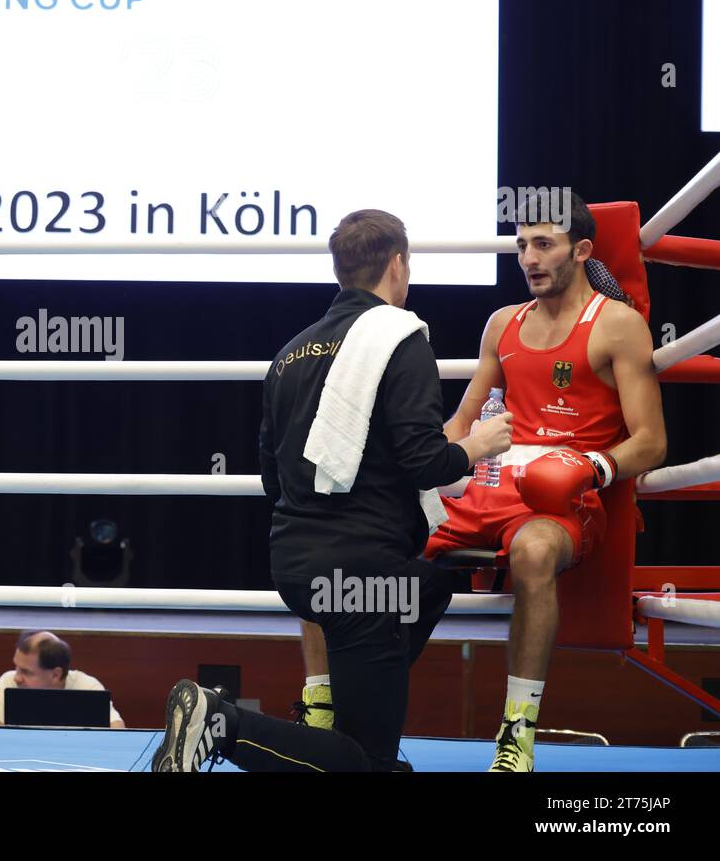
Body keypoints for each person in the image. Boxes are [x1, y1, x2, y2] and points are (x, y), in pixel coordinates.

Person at [296, 192, 667, 771]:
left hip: (565, 498)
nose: (529, 258)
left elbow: (652, 439)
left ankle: (516, 734)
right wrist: (397, 472)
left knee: (535, 549)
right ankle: (321, 705)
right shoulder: (503, 324)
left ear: (582, 249)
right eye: (522, 245)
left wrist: (588, 467)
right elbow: (462, 422)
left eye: (544, 244)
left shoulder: (618, 326)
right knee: (338, 531)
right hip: (488, 489)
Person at [153, 209, 512, 772]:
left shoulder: (290, 354)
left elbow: (273, 475)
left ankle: (350, 713)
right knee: (367, 763)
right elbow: (425, 462)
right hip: (361, 582)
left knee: (435, 580)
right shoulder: (400, 338)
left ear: (340, 269)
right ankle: (217, 721)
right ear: (398, 264)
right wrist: (481, 443)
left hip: (299, 567)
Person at [0, 630, 125, 728]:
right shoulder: (9, 682)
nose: (17, 678)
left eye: (26, 672)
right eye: (16, 667)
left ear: (56, 675)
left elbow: (118, 731)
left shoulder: (88, 687)